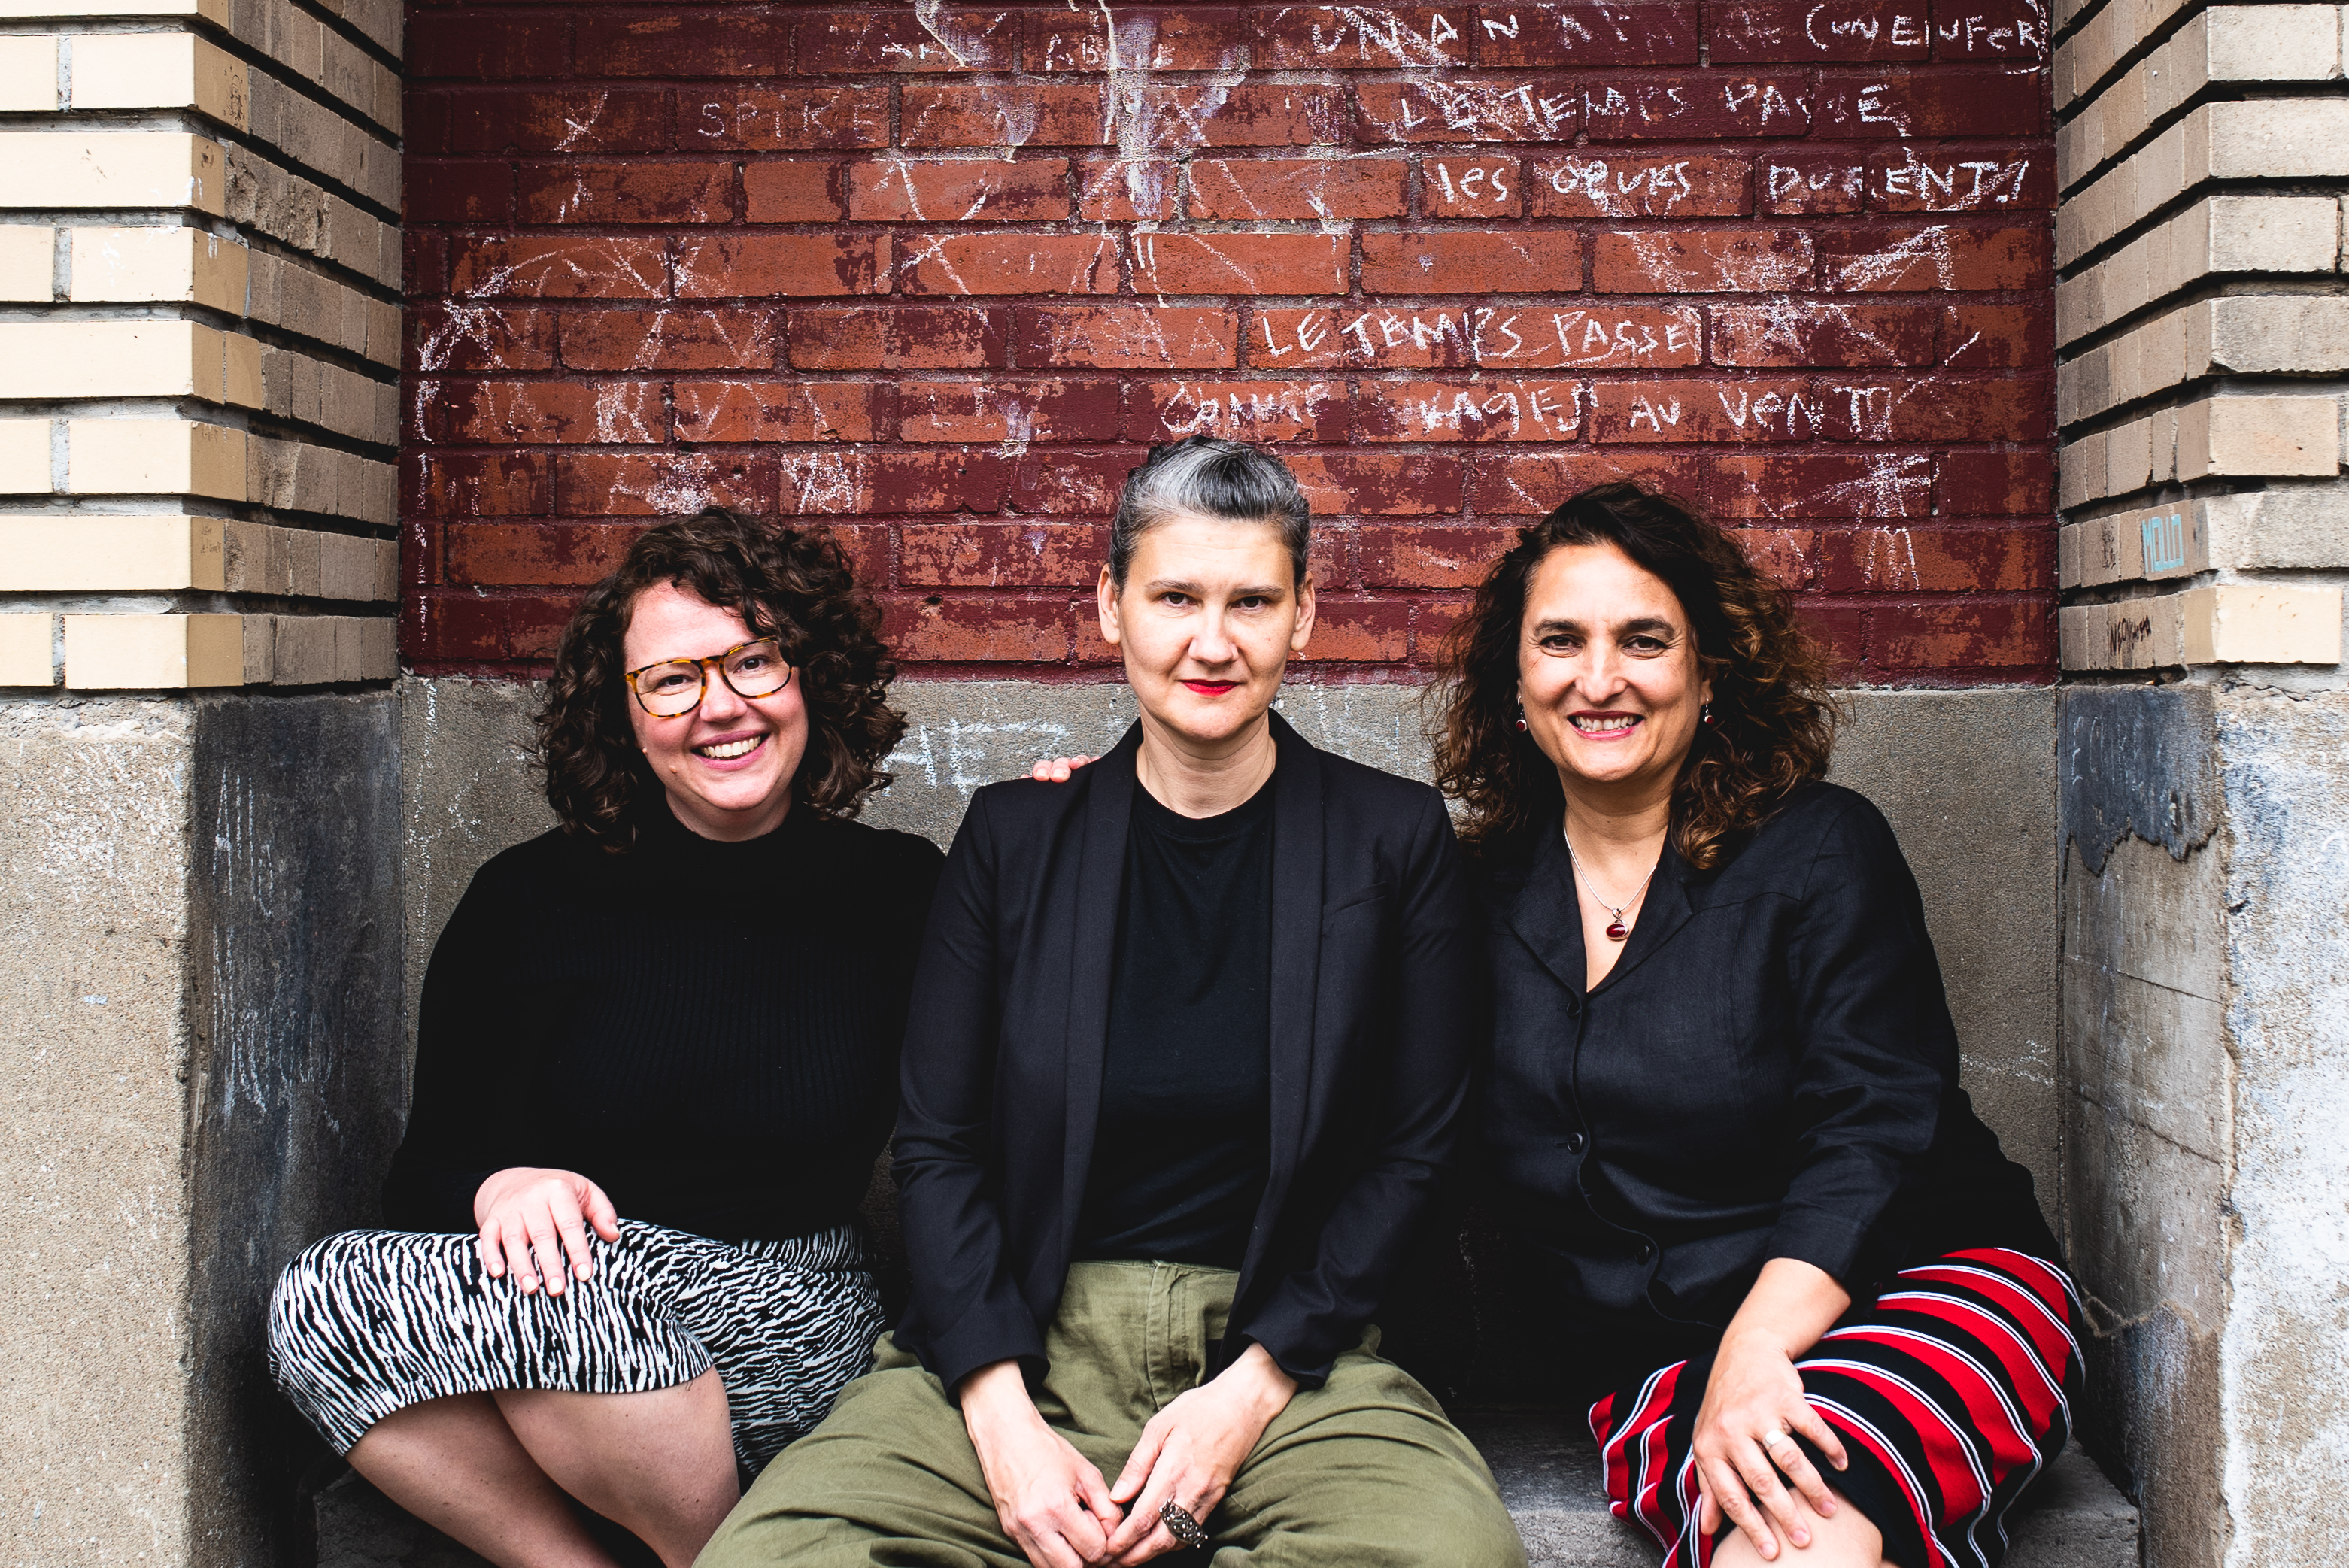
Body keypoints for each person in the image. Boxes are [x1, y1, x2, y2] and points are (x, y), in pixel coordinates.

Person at [700, 435, 1526, 1568]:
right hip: (1020, 1333)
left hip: (1294, 1350)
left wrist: (1249, 1394)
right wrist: (999, 1421)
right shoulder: (1015, 839)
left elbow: (1416, 1153)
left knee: (1446, 1556)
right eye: (1174, 596)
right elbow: (937, 1146)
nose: (1210, 640)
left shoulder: (1389, 841)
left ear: (1302, 616)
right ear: (1109, 606)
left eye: (1250, 601)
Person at [267, 508, 943, 1568]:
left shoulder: (903, 893)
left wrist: (1081, 824)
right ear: (625, 718)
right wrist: (500, 1188)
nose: (720, 708)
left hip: (795, 1319)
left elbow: (1004, 1101)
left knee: (562, 1306)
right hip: (572, 1293)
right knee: (323, 1304)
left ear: (809, 676)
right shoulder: (528, 901)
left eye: (753, 663)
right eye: (672, 681)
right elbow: (428, 1175)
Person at [1431, 484, 2080, 1568]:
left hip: (1917, 1282)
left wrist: (1754, 1350)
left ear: (1707, 670)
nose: (1599, 680)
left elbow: (1873, 1130)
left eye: (1644, 640)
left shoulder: (1819, 852)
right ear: (1514, 679)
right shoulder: (1462, 892)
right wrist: (1098, 811)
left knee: (1801, 1534)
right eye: (1560, 642)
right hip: (1652, 1356)